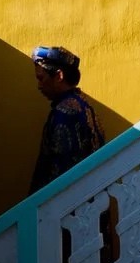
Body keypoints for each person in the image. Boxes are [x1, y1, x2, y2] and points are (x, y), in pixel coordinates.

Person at [29, 46, 106, 194]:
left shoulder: (63, 115)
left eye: (41, 78)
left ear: (59, 76)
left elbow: (60, 171)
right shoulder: (85, 105)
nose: (39, 85)